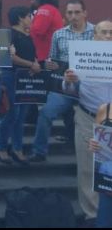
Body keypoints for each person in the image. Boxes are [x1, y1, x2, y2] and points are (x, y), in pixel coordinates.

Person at [32, 0, 94, 163]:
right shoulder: (58, 34)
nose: (73, 16)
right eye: (70, 13)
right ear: (65, 15)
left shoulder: (96, 32)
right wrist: (50, 64)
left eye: (77, 12)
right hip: (65, 84)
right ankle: (39, 151)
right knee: (46, 112)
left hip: (90, 86)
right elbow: (53, 59)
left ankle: (96, 155)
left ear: (85, 13)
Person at [63, 20, 112, 225]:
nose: (108, 36)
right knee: (87, 168)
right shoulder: (82, 56)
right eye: (103, 32)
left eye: (111, 32)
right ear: (94, 35)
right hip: (87, 116)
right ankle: (92, 215)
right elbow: (68, 90)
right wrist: (69, 81)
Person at [0, 6, 38, 165]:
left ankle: (17, 148)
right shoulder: (10, 34)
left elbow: (31, 55)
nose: (31, 19)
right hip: (12, 76)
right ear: (21, 18)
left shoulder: (27, 36)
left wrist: (35, 64)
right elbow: (10, 57)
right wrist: (31, 64)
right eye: (29, 16)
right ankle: (2, 146)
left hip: (26, 78)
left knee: (21, 115)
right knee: (12, 113)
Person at [88, 102, 112, 228]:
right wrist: (93, 144)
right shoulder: (104, 109)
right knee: (104, 222)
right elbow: (96, 140)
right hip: (107, 177)